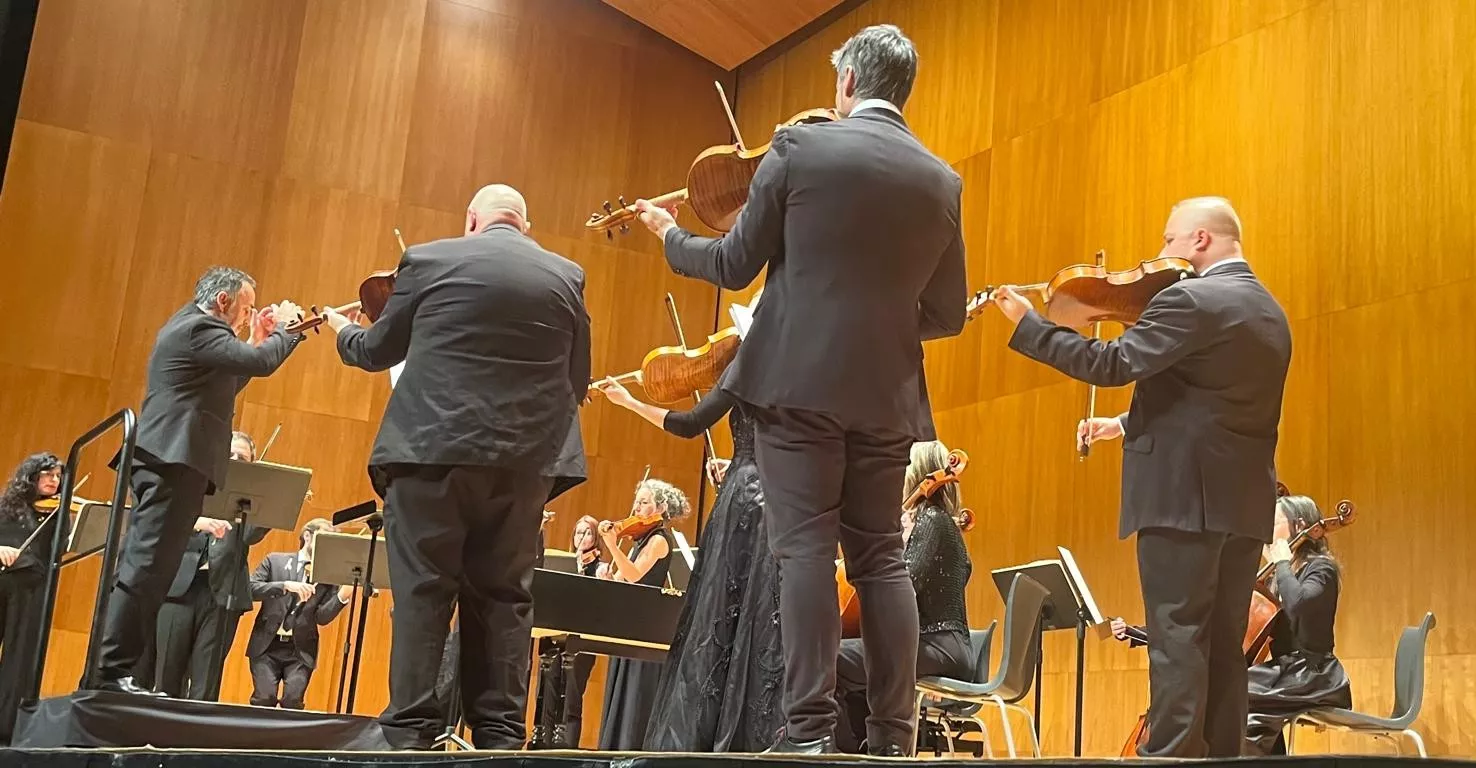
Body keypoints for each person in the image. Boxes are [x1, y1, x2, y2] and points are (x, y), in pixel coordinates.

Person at [631, 24, 967, 755]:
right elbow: (944, 313)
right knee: (879, 556)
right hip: (888, 397)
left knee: (806, 551)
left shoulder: (800, 147)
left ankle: (809, 733)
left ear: (847, 80)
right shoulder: (943, 180)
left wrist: (665, 235)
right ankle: (893, 737)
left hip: (796, 388)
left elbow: (730, 262)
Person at [992, 197, 1292, 758]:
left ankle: (1171, 757)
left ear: (1199, 240)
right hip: (1243, 506)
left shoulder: (1191, 298)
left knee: (1177, 638)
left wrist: (1032, 328)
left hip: (1181, 502)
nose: (1159, 256)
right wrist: (1126, 425)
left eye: (1168, 241)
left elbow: (1110, 365)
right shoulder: (1268, 310)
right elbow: (1213, 404)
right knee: (1224, 647)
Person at [319, 184, 590, 749]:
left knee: (424, 591)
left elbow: (375, 352)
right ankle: (498, 739)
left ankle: (412, 734)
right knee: (503, 598)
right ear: (525, 223)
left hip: (431, 453)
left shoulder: (428, 258)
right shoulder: (565, 275)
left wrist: (340, 332)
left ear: (472, 220)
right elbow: (578, 378)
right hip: (523, 465)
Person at [93, 267, 303, 695]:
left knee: (154, 570)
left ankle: (115, 671)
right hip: (170, 459)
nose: (248, 317)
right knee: (146, 568)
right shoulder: (199, 327)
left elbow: (231, 378)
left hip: (181, 463)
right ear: (223, 302)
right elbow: (259, 365)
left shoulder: (198, 332)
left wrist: (258, 340)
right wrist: (286, 329)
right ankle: (107, 671)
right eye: (245, 310)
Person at [595, 371, 784, 752]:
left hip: (742, 500)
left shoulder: (752, 358)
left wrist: (629, 402)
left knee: (717, 615)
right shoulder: (806, 366)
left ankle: (702, 739)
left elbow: (689, 423)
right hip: (782, 501)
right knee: (760, 618)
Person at [1110, 495, 1349, 755]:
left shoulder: (1320, 568)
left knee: (1232, 695)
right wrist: (1138, 632)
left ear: (1300, 524)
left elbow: (1299, 605)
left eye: (1274, 521)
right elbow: (1216, 626)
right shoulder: (1276, 575)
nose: (1266, 529)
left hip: (1314, 674)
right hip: (1284, 673)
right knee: (1226, 692)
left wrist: (1281, 562)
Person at [835, 440, 973, 753]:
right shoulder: (935, 522)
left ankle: (845, 755)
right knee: (855, 656)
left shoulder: (931, 521)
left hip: (938, 644)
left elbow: (901, 590)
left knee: (830, 661)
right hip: (933, 643)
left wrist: (888, 550)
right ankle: (862, 748)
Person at [149, 431, 268, 700]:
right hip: (177, 587)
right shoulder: (190, 482)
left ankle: (195, 738)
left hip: (223, 595)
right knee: (167, 672)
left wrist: (264, 499)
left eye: (243, 458)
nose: (235, 460)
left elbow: (249, 536)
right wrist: (196, 522)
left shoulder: (250, 500)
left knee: (206, 680)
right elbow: (163, 521)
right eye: (230, 455)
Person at [595, 479, 689, 751]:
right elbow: (624, 577)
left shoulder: (659, 539)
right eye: (637, 500)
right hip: (631, 622)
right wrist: (609, 575)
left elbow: (636, 576)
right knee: (622, 685)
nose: (636, 506)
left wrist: (612, 545)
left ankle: (631, 749)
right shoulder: (641, 538)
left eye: (644, 502)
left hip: (646, 626)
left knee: (636, 692)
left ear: (660, 507)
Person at [245, 518, 353, 709]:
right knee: (264, 699)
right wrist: (284, 585)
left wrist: (343, 595)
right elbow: (251, 589)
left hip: (300, 650)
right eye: (325, 539)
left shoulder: (329, 576)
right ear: (308, 536)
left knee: (293, 702)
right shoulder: (274, 560)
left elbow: (322, 618)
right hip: (266, 645)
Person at [0, 453, 65, 744]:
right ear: (31, 476)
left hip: (33, 589)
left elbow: (59, 551)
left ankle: (8, 725)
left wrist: (64, 517)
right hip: (3, 582)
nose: (54, 480)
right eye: (47, 474)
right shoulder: (5, 508)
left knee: (21, 657)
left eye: (58, 476)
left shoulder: (58, 513)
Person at [531, 514, 603, 747]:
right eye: (578, 532)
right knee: (547, 696)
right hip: (554, 636)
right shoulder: (562, 563)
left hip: (580, 640)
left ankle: (566, 747)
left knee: (571, 699)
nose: (582, 537)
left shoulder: (600, 567)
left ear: (596, 538)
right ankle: (542, 745)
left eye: (588, 532)